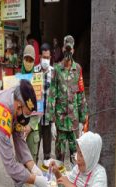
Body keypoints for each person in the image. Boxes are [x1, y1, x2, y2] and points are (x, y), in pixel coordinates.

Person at [47, 35, 88, 163]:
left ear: (73, 51)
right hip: (60, 124)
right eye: (66, 49)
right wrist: (52, 122)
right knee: (59, 159)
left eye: (70, 50)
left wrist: (82, 121)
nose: (68, 52)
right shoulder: (57, 70)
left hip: (74, 124)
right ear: (63, 48)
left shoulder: (78, 69)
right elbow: (52, 96)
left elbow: (81, 96)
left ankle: (74, 183)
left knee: (76, 159)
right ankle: (60, 183)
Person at [20, 45, 41, 163]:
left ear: (34, 61)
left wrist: (30, 126)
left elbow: (39, 107)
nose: (28, 62)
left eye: (31, 60)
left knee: (31, 164)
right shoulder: (16, 79)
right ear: (23, 59)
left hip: (33, 130)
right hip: (19, 129)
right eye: (26, 59)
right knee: (20, 164)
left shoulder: (38, 80)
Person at [34, 43, 54, 161]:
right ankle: (34, 177)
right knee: (34, 151)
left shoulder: (54, 73)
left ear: (50, 58)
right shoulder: (34, 71)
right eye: (44, 57)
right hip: (35, 119)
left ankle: (47, 177)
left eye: (48, 58)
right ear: (40, 56)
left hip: (48, 119)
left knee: (47, 153)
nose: (45, 60)